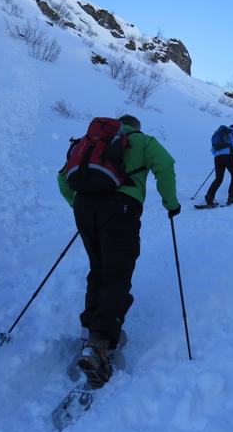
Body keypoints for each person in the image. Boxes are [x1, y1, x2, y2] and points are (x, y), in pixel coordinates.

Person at [58, 114, 180, 387]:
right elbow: (166, 165)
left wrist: (79, 206)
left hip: (85, 209)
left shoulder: (90, 142)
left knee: (98, 269)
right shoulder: (143, 141)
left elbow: (63, 179)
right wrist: (171, 204)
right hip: (121, 209)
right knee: (117, 274)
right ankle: (99, 344)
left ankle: (90, 328)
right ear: (136, 128)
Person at [205, 124, 233, 205]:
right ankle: (232, 197)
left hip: (217, 157)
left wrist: (219, 154)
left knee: (219, 178)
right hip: (228, 155)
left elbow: (213, 149)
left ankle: (209, 196)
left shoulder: (221, 132)